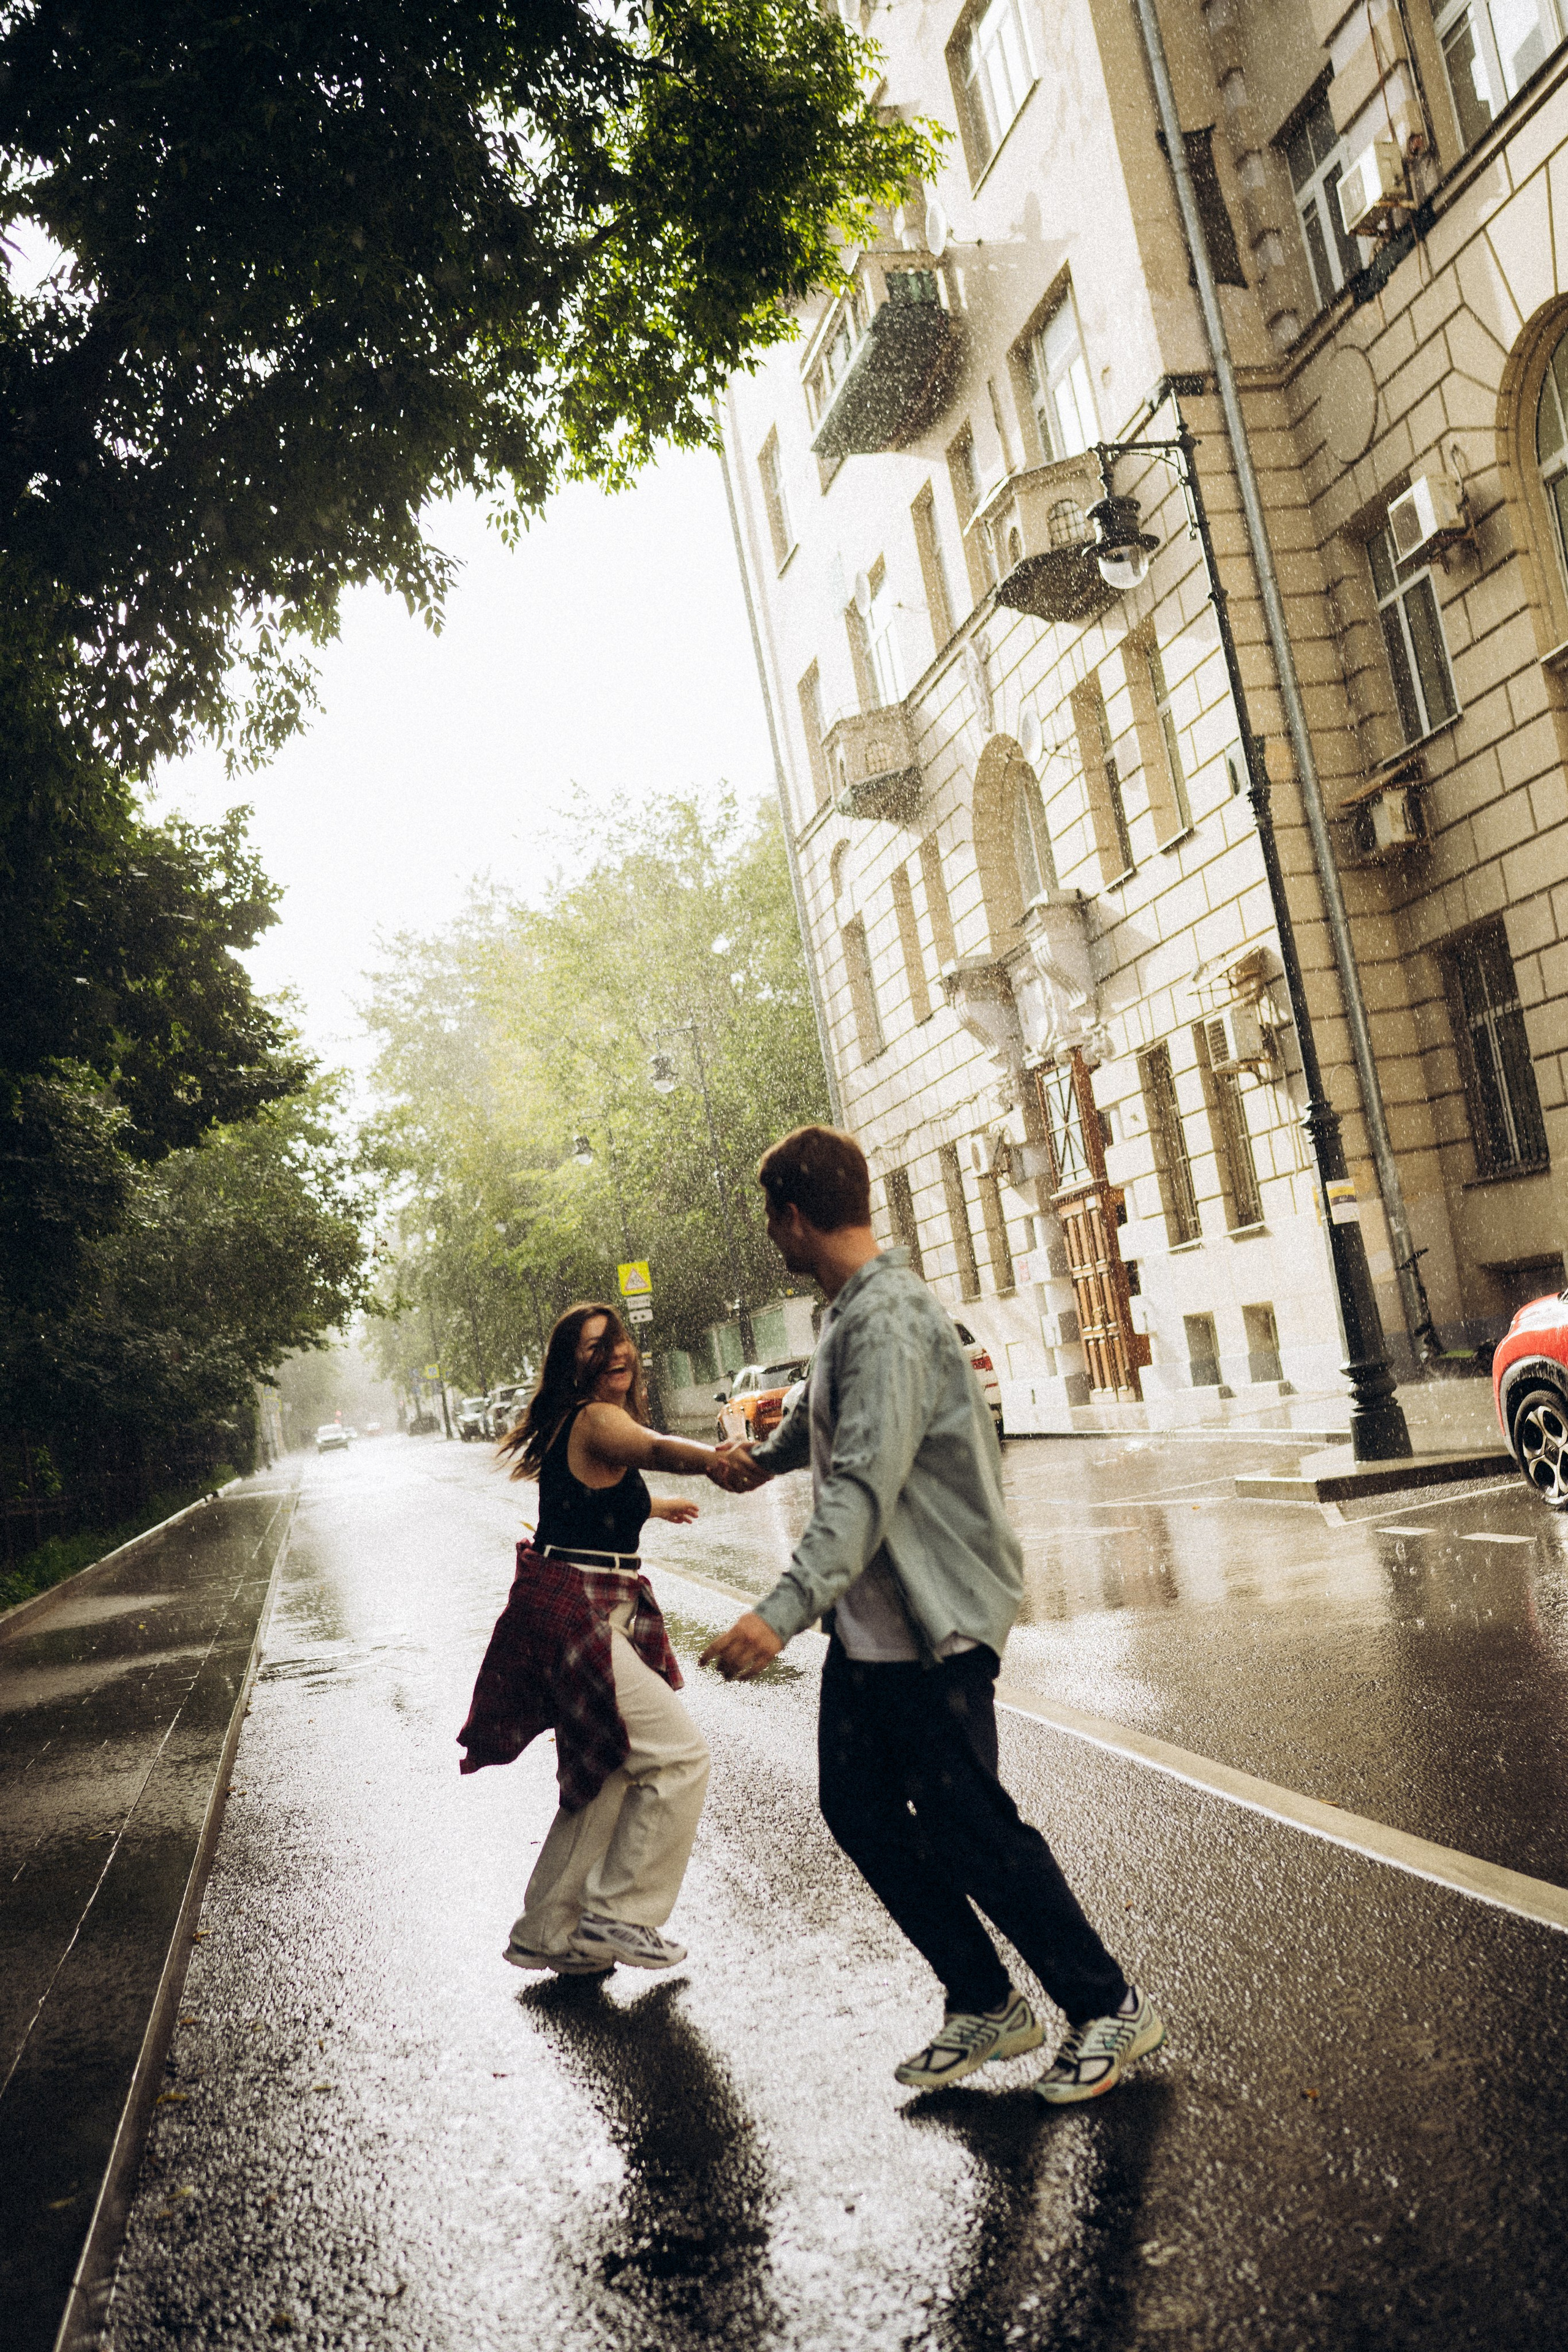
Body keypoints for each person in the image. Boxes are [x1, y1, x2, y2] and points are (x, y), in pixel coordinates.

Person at [700, 1126, 1164, 2102]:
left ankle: (1106, 2005)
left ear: (792, 1215)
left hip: (933, 1626)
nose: (772, 1239)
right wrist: (768, 1460)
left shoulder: (891, 1320)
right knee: (858, 1809)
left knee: (969, 1827)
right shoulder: (849, 1314)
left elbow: (864, 1487)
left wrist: (777, 1614)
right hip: (873, 1634)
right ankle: (985, 2001)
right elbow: (830, 1421)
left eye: (771, 1221)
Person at [459, 1302, 725, 1977]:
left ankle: (547, 1931)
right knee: (678, 1757)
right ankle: (623, 1915)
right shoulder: (598, 1419)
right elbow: (657, 1450)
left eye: (620, 1341)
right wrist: (717, 1461)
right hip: (580, 1610)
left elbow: (595, 1497)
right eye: (593, 1347)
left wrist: (655, 1507)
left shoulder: (574, 1425)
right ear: (572, 1366)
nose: (614, 1354)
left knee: (605, 1769)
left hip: (565, 1602)